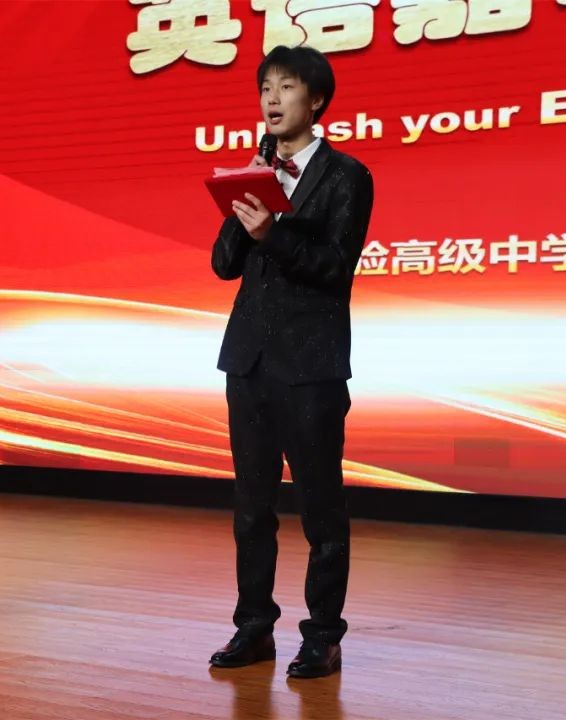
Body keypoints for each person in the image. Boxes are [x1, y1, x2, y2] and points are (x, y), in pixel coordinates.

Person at [208, 46, 374, 678]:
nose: (272, 100)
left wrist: (271, 232)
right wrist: (245, 199)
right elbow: (224, 265)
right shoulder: (257, 170)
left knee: (320, 509)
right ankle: (253, 628)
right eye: (265, 89)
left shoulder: (346, 176)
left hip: (311, 367)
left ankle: (323, 636)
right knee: (252, 508)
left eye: (286, 87)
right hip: (249, 361)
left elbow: (334, 268)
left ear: (317, 99)